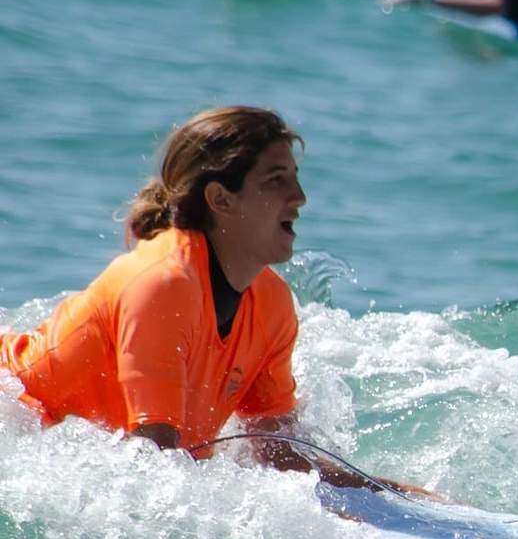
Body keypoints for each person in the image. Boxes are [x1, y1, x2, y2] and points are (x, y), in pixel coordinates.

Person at [0, 106, 434, 496]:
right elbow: (151, 467)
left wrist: (394, 495)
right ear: (220, 199)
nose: (300, 197)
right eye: (276, 180)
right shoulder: (163, 285)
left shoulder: (272, 303)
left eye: (295, 177)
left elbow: (280, 456)